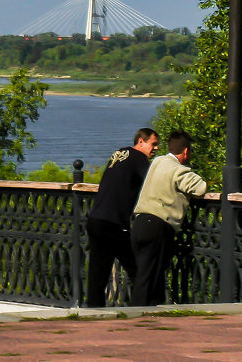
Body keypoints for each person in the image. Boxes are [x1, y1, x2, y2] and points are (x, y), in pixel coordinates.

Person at [130, 130, 207, 306]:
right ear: (186, 151)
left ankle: (148, 318)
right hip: (158, 226)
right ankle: (137, 319)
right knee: (149, 278)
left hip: (140, 222)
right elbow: (200, 188)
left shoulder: (157, 162)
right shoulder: (177, 169)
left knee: (145, 275)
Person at [85, 127, 159, 307]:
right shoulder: (138, 158)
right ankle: (150, 305)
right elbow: (152, 183)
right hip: (114, 224)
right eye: (153, 144)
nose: (156, 148)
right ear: (141, 141)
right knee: (138, 267)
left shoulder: (119, 153)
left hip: (96, 220)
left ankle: (93, 309)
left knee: (98, 270)